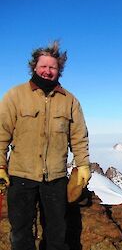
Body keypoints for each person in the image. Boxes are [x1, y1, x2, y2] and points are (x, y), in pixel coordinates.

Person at [0, 41, 91, 250]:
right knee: (21, 231)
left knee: (57, 231)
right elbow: (1, 133)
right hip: (21, 175)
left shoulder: (70, 101)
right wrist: (0, 166)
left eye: (52, 67)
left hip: (55, 178)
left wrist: (83, 164)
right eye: (43, 66)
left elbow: (78, 136)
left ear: (59, 70)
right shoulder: (15, 96)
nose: (47, 71)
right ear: (34, 66)